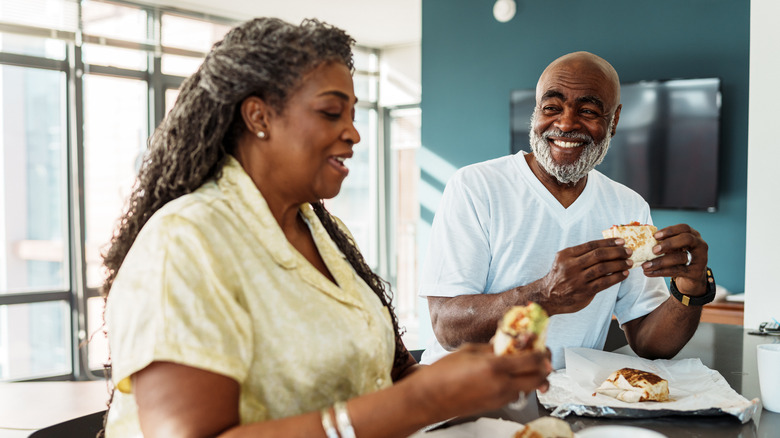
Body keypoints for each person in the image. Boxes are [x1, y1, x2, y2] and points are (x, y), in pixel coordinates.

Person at [100, 17, 551, 438]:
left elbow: (390, 382)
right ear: (258, 117)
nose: (353, 132)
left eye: (353, 114)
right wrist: (424, 398)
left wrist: (482, 374)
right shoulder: (184, 241)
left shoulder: (327, 235)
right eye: (332, 113)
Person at [419, 51, 714, 370]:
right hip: (465, 400)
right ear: (535, 114)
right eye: (551, 107)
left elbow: (649, 341)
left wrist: (690, 288)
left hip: (570, 402)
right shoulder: (476, 187)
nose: (566, 123)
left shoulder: (628, 206)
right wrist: (544, 295)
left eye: (587, 110)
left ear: (613, 121)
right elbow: (447, 328)